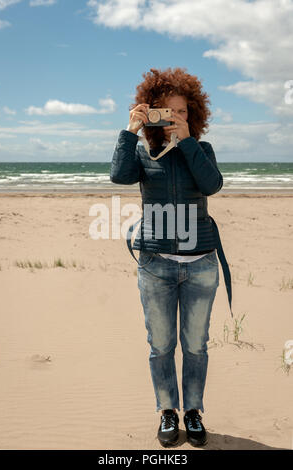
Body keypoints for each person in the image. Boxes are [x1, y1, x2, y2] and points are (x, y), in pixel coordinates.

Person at [110, 67, 232, 448]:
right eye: (166, 111)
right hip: (156, 265)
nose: (174, 118)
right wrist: (129, 131)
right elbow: (119, 176)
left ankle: (193, 412)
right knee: (160, 344)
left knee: (196, 344)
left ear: (192, 115)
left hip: (201, 264)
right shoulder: (144, 151)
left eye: (182, 112)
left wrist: (189, 142)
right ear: (152, 114)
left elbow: (212, 184)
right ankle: (167, 411)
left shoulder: (202, 150)